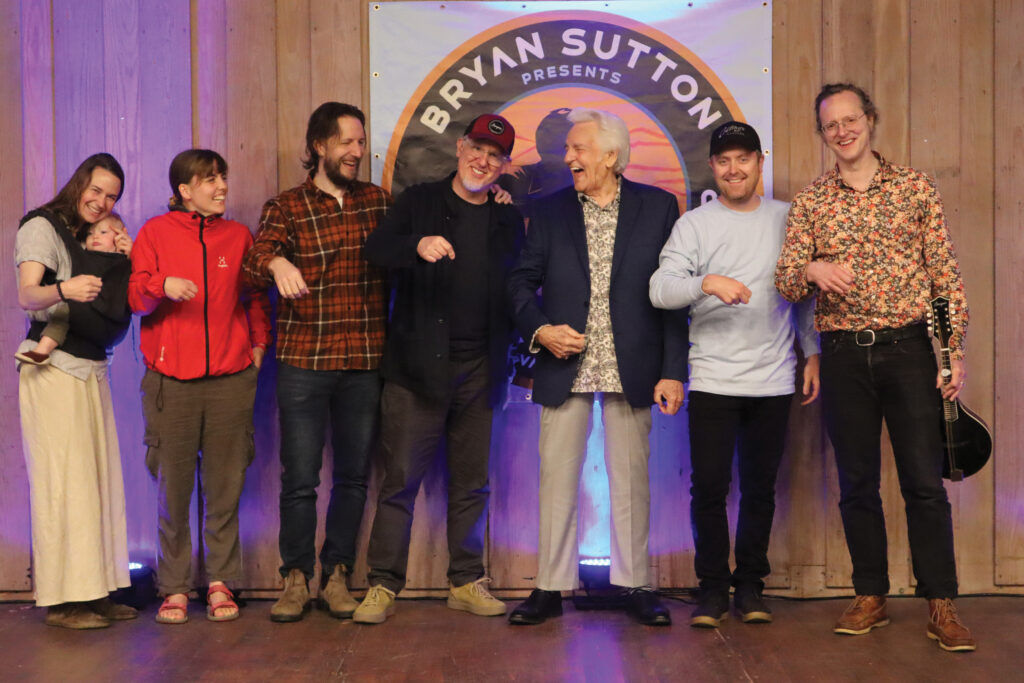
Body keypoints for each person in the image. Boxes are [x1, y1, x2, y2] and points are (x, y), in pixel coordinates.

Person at [775, 83, 975, 652]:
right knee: (857, 483)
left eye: (850, 118)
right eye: (830, 124)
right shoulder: (812, 201)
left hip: (910, 350)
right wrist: (812, 269)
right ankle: (871, 594)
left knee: (923, 483)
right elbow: (786, 282)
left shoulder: (914, 187)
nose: (842, 130)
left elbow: (945, 274)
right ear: (822, 134)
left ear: (870, 120)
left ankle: (941, 602)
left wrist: (951, 348)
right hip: (843, 355)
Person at [507, 108, 688, 626]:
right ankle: (548, 588)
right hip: (565, 366)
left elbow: (674, 294)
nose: (569, 158)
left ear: (611, 155)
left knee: (631, 479)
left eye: (578, 149)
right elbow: (519, 283)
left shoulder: (658, 207)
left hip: (635, 367)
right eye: (568, 149)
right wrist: (541, 329)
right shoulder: (548, 210)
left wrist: (674, 369)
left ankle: (635, 586)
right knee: (556, 478)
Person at [352, 114, 525, 624]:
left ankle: (466, 581)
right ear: (458, 147)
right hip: (416, 370)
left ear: (504, 165)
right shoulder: (419, 201)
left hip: (481, 368)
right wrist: (416, 246)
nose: (483, 161)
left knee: (472, 483)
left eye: (495, 156)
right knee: (400, 480)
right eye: (477, 148)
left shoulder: (506, 217)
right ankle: (383, 585)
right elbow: (376, 249)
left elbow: (520, 285)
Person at [649, 121, 820, 628]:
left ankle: (750, 586)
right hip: (712, 380)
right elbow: (661, 289)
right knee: (709, 489)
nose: (734, 169)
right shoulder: (694, 225)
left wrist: (812, 353)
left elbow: (805, 296)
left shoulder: (788, 219)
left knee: (761, 488)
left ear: (759, 163)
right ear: (713, 168)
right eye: (724, 161)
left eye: (743, 158)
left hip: (774, 379)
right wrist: (707, 282)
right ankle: (711, 590)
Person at [242, 102, 390, 622]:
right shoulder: (286, 207)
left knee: (352, 478)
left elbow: (427, 230)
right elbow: (253, 261)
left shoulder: (378, 203)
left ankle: (337, 576)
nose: (357, 151)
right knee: (299, 477)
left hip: (365, 360)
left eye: (360, 142)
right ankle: (295, 578)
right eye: (347, 142)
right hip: (304, 361)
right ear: (319, 147)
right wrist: (278, 260)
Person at [129, 149, 271, 624]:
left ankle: (219, 582)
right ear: (184, 191)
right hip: (172, 383)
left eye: (223, 177)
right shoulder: (154, 233)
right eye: (210, 180)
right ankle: (173, 588)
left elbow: (253, 298)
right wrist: (160, 285)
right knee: (173, 490)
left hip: (231, 381)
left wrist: (258, 346)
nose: (222, 186)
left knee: (225, 486)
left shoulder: (238, 235)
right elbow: (135, 297)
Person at [15, 152, 137, 629]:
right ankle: (64, 601)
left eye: (111, 197)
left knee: (98, 483)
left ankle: (97, 590)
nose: (102, 202)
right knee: (64, 485)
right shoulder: (41, 227)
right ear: (79, 182)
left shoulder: (89, 234)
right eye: (97, 190)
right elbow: (28, 294)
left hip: (91, 367)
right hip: (55, 370)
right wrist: (65, 289)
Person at [15, 213, 128, 366]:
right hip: (84, 307)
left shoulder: (123, 259)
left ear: (120, 235)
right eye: (90, 234)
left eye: (103, 232)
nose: (95, 237)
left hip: (109, 315)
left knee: (66, 312)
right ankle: (42, 351)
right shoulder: (84, 256)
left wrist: (131, 253)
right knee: (62, 313)